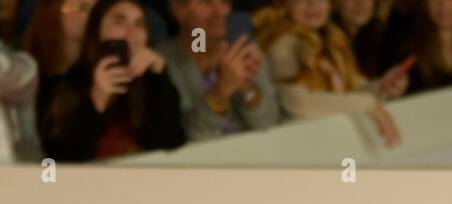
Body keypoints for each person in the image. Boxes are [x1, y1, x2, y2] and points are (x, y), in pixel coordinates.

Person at [38, 0, 185, 160]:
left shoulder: (153, 84)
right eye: (119, 22)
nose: (131, 32)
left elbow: (172, 150)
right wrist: (96, 101)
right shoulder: (58, 87)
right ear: (97, 29)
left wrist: (159, 78)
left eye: (139, 24)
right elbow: (59, 161)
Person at [252, 0, 407, 146]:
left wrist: (382, 86)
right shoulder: (282, 43)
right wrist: (368, 103)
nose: (313, 5)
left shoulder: (331, 37)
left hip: (334, 141)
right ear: (285, 3)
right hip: (302, 145)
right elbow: (299, 103)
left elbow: (354, 91)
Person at [160, 0, 281, 140]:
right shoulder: (162, 64)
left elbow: (269, 125)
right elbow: (190, 139)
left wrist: (247, 87)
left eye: (224, 1)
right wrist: (222, 91)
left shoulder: (243, 50)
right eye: (206, 2)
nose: (220, 12)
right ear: (178, 10)